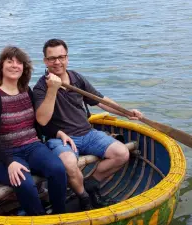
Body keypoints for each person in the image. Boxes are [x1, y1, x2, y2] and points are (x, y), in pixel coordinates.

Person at [33, 39, 143, 210]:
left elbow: (100, 101)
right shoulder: (41, 87)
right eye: (52, 58)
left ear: (67, 58)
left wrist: (126, 112)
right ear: (45, 61)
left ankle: (91, 183)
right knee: (69, 163)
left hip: (88, 133)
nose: (57, 62)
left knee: (122, 153)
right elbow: (42, 120)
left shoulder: (76, 78)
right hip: (62, 139)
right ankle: (84, 198)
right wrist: (53, 89)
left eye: (61, 57)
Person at [0, 46, 67, 215]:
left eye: (19, 63)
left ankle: (59, 216)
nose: (15, 65)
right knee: (25, 183)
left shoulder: (26, 91)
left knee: (58, 169)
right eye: (10, 61)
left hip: (32, 147)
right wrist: (10, 162)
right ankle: (39, 219)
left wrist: (58, 132)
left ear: (24, 68)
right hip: (4, 155)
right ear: (1, 66)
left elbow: (38, 121)